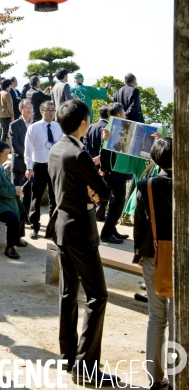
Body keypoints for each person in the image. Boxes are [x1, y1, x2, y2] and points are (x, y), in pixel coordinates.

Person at [47, 98, 118, 386]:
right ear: (84, 122)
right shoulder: (79, 155)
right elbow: (104, 191)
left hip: (62, 225)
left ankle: (68, 356)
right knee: (97, 295)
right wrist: (93, 191)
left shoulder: (57, 148)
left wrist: (89, 187)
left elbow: (69, 184)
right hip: (80, 229)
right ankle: (86, 367)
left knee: (68, 292)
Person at [133, 137, 173, 390]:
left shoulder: (145, 185)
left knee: (156, 318)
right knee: (178, 317)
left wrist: (139, 255)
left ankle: (154, 379)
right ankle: (177, 374)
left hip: (154, 255)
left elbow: (140, 227)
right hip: (182, 257)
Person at [0, 141, 27, 259]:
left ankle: (17, 238)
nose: (7, 157)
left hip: (2, 201)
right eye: (6, 155)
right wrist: (15, 191)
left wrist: (15, 189)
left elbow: (5, 185)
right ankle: (10, 247)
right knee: (13, 219)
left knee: (22, 210)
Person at [24, 100, 62, 239]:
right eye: (48, 110)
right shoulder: (34, 128)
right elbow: (28, 150)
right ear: (42, 112)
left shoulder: (58, 127)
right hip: (38, 166)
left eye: (53, 110)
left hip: (54, 166)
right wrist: (29, 168)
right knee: (36, 198)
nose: (51, 112)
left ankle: (53, 228)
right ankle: (35, 226)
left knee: (55, 198)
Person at [99, 102, 131, 244]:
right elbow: (104, 152)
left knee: (118, 202)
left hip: (119, 171)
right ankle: (106, 233)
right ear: (118, 115)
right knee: (116, 203)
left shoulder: (121, 128)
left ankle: (112, 229)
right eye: (123, 112)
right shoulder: (109, 129)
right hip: (114, 172)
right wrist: (105, 169)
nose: (125, 114)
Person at [83, 105, 109, 222]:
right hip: (103, 163)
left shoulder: (90, 126)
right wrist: (99, 157)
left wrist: (91, 157)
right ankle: (100, 214)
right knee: (103, 190)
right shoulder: (108, 128)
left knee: (92, 190)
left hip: (90, 161)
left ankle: (94, 211)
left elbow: (85, 143)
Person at [9, 99, 34, 220]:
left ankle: (26, 216)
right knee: (16, 191)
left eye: (31, 107)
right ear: (20, 110)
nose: (29, 110)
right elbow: (15, 144)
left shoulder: (36, 124)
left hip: (33, 165)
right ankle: (16, 215)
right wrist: (29, 156)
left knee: (29, 192)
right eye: (26, 107)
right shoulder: (14, 125)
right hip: (19, 163)